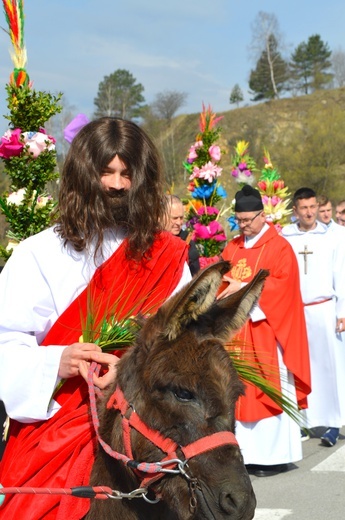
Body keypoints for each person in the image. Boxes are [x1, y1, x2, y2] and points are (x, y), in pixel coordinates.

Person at [0, 117, 191, 518]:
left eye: (127, 174)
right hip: (57, 431)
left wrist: (132, 368)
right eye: (106, 172)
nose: (118, 185)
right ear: (83, 175)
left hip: (146, 433)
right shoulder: (39, 253)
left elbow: (184, 344)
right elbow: (6, 341)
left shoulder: (167, 254)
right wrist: (58, 361)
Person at [217, 185, 311, 477]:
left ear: (262, 215)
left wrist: (242, 289)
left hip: (266, 332)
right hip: (237, 334)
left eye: (248, 220)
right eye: (239, 220)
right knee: (239, 392)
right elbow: (221, 278)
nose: (243, 226)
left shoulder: (279, 247)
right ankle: (246, 456)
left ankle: (274, 456)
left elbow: (283, 288)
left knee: (267, 389)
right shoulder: (232, 247)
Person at [282, 187, 345, 447]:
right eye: (303, 208)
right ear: (295, 210)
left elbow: (340, 273)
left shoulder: (332, 236)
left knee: (330, 367)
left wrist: (342, 311)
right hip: (296, 310)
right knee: (300, 366)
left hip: (324, 307)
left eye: (312, 207)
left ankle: (334, 422)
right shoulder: (286, 236)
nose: (309, 213)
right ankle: (303, 421)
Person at [164, 194, 200, 276]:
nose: (179, 223)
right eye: (174, 218)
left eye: (181, 218)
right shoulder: (150, 238)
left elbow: (194, 275)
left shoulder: (187, 241)